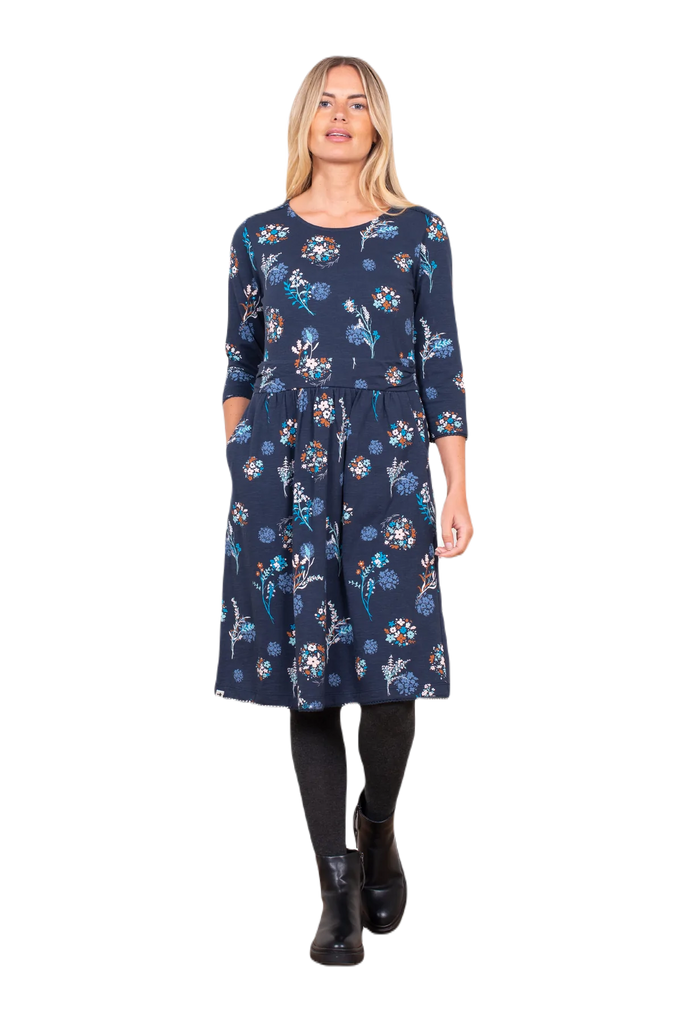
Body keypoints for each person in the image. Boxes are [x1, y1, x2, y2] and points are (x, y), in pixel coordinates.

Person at [215, 53, 475, 967]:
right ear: (302, 121)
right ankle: (333, 896)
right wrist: (243, 457)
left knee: (392, 685)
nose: (337, 116)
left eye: (355, 104)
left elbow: (442, 359)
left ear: (377, 125)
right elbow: (238, 360)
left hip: (387, 467)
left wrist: (456, 487)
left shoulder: (419, 230)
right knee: (308, 682)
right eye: (323, 102)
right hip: (281, 473)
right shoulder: (257, 233)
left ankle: (379, 831)